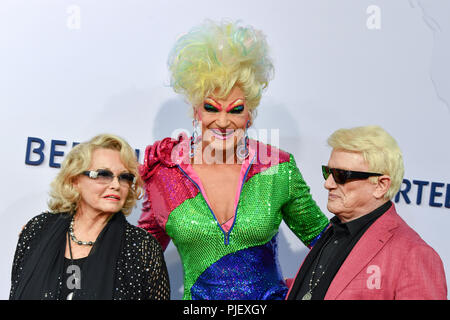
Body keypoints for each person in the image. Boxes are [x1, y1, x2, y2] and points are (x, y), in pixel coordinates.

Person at [138, 20, 329, 300]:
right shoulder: (165, 173)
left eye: (236, 110)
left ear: (250, 114)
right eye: (211, 108)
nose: (224, 121)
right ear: (195, 112)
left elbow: (326, 244)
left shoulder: (278, 168)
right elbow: (139, 254)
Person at [286, 125, 447, 300]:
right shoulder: (333, 232)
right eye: (328, 172)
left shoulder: (413, 255)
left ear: (380, 186)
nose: (328, 184)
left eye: (341, 175)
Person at [10, 134, 170, 300]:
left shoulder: (143, 248)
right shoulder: (38, 229)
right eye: (103, 174)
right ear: (74, 180)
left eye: (125, 177)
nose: (115, 185)